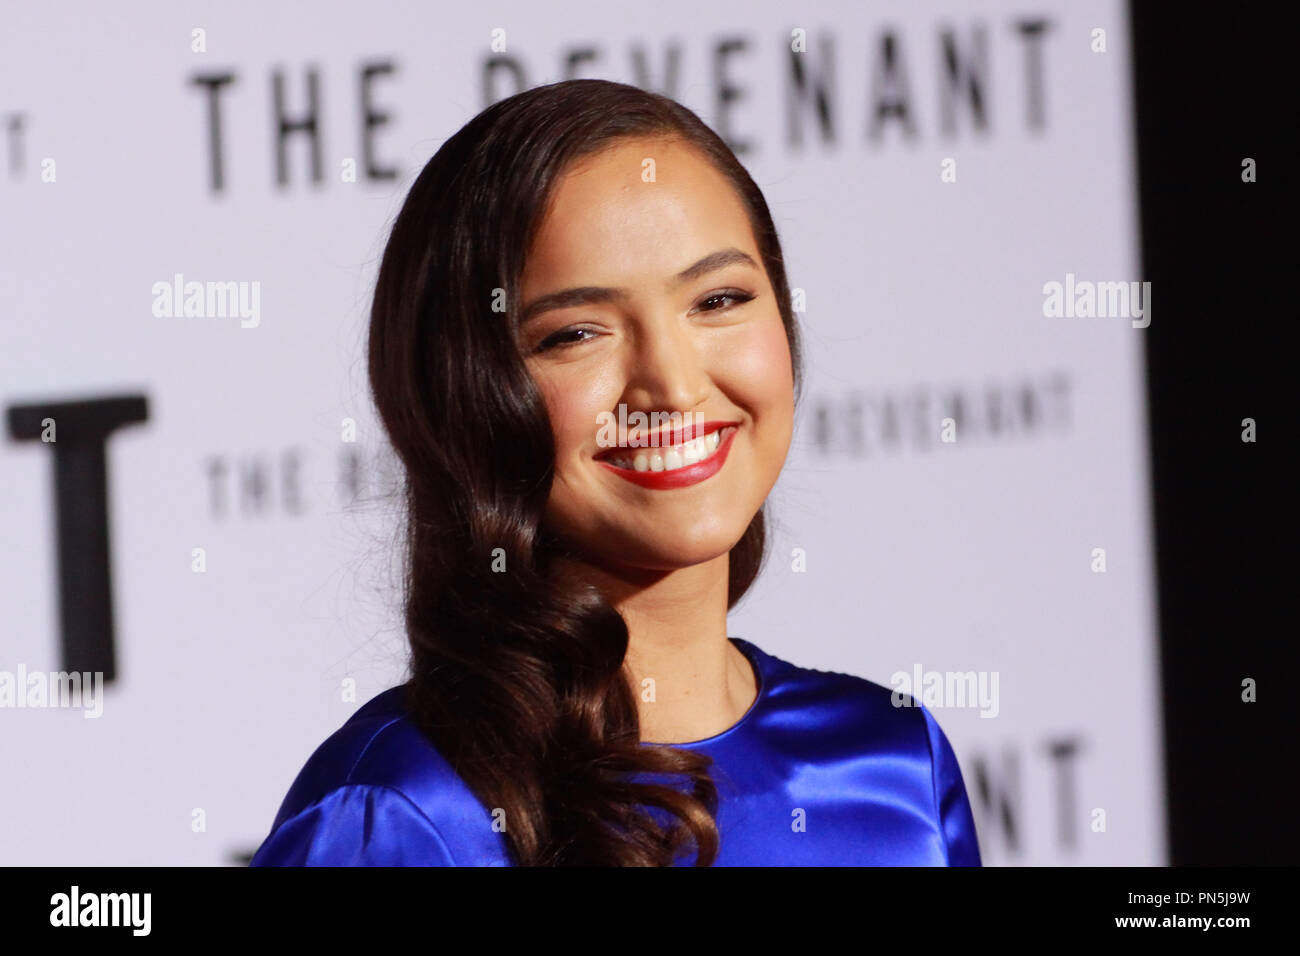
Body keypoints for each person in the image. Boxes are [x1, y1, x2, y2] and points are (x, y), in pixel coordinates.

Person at [249, 78, 981, 867]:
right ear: (462, 394)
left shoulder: (893, 762)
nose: (672, 384)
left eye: (720, 298)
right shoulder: (402, 816)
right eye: (576, 334)